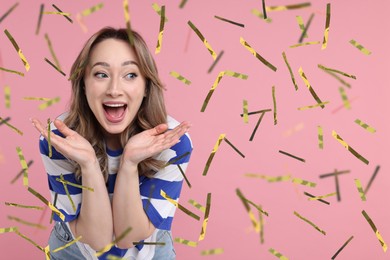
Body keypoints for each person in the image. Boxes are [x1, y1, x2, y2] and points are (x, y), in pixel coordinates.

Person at [31, 27, 192, 259]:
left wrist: (129, 163)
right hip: (76, 250)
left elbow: (130, 238)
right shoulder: (59, 139)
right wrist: (88, 163)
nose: (114, 90)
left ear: (146, 86)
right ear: (83, 83)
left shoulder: (173, 142)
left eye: (130, 75)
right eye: (101, 74)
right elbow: (97, 240)